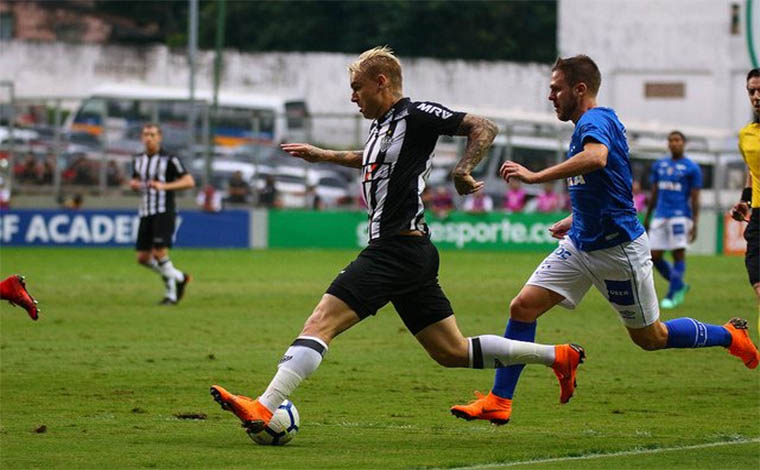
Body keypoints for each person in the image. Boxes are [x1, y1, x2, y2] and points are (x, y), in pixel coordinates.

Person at [210, 46, 585, 435]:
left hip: (395, 249)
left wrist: (463, 168)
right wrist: (322, 155)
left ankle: (264, 405)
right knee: (451, 351)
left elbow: (484, 126)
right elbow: (371, 158)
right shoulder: (381, 127)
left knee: (320, 321)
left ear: (381, 82)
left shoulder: (417, 114)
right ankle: (557, 356)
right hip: (411, 253)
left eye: (357, 88)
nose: (352, 97)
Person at [451, 55, 760, 426]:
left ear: (579, 89)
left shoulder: (595, 120)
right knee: (523, 307)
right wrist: (574, 218)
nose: (550, 95)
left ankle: (728, 336)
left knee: (650, 337)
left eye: (555, 88)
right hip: (582, 244)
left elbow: (596, 159)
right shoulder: (591, 123)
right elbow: (608, 183)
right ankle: (500, 400)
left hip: (618, 252)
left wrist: (535, 178)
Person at [129, 123, 195, 305]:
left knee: (159, 253)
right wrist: (134, 184)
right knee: (142, 258)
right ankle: (180, 277)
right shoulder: (138, 159)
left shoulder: (170, 159)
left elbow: (189, 181)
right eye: (145, 135)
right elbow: (136, 179)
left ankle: (171, 295)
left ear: (160, 137)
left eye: (152, 135)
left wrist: (164, 186)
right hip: (145, 211)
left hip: (164, 210)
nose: (148, 138)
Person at [643, 131, 702, 309]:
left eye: (677, 140)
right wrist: (648, 216)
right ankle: (680, 285)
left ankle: (671, 294)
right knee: (654, 257)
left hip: (680, 216)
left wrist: (695, 223)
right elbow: (654, 192)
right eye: (671, 141)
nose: (674, 143)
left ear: (684, 143)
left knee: (678, 254)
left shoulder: (692, 168)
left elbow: (695, 197)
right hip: (660, 215)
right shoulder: (660, 165)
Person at [730, 68, 760, 325]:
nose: (756, 96)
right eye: (752, 91)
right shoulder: (746, 136)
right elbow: (753, 171)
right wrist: (746, 201)